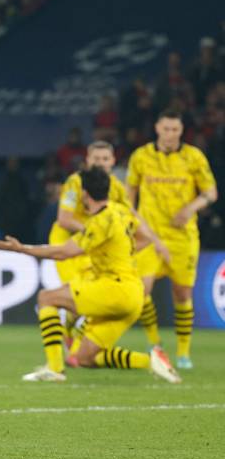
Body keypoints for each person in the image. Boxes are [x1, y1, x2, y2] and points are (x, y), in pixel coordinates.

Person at [0, 167, 180, 385]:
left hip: (114, 289)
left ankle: (54, 368)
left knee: (46, 298)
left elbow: (63, 252)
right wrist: (118, 252)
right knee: (85, 358)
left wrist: (22, 249)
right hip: (133, 293)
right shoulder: (120, 210)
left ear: (84, 194)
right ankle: (151, 361)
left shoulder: (99, 222)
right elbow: (145, 237)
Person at [47, 141, 169, 351]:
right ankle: (69, 339)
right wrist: (97, 230)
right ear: (87, 161)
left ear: (112, 161)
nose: (101, 163)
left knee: (93, 295)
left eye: (105, 159)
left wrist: (155, 240)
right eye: (96, 159)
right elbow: (64, 219)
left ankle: (71, 336)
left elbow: (132, 216)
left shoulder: (116, 188)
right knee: (80, 293)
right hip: (67, 245)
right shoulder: (74, 183)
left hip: (92, 246)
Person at [126, 109, 218, 369]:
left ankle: (184, 352)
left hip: (183, 236)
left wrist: (191, 208)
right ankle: (155, 343)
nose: (170, 134)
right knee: (142, 290)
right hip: (147, 235)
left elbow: (211, 192)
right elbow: (128, 198)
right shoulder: (141, 156)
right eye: (166, 129)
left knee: (182, 292)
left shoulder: (193, 157)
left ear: (181, 131)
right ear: (157, 128)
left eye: (175, 130)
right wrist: (140, 226)